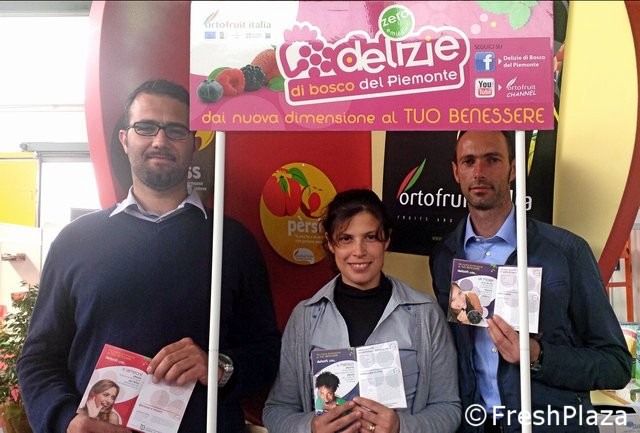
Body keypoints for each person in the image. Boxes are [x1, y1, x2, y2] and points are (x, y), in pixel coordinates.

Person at [17, 79, 281, 433]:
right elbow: (39, 358)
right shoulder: (75, 241)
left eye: (176, 130)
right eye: (145, 127)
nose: (160, 141)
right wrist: (65, 421)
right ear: (125, 139)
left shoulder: (231, 241)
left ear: (194, 143)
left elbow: (267, 352)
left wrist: (219, 366)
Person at [430, 130, 632, 432]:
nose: (479, 172)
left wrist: (537, 356)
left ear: (514, 169)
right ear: (456, 172)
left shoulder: (566, 252)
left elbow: (616, 365)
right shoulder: (445, 256)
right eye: (469, 161)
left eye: (492, 160)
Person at [263, 188, 461, 433]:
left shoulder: (425, 314)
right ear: (330, 243)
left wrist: (402, 426)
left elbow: (448, 407)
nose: (359, 251)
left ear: (386, 239)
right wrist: (310, 428)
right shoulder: (305, 317)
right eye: (346, 239)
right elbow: (277, 410)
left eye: (370, 237)